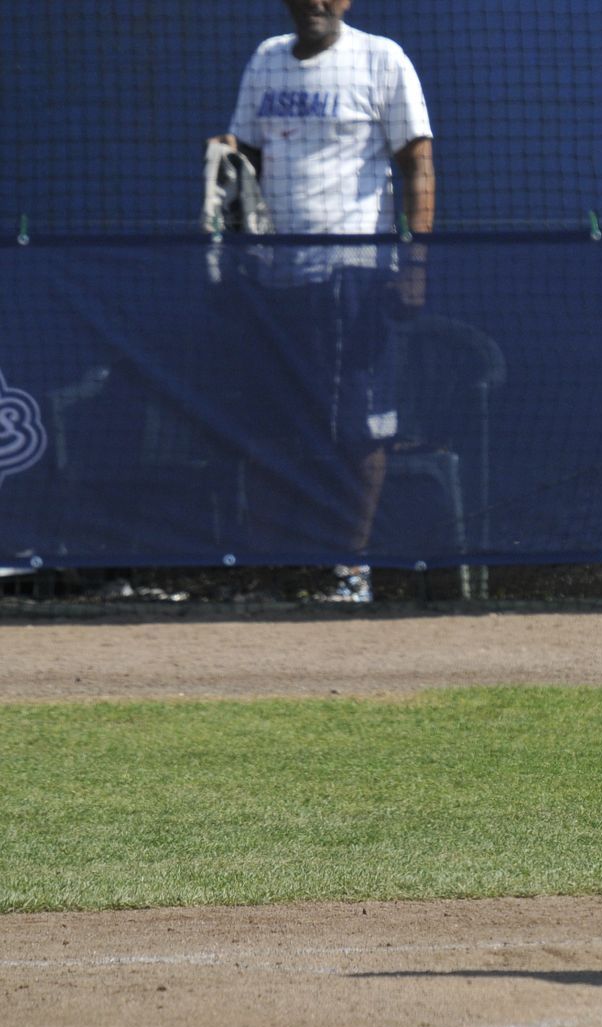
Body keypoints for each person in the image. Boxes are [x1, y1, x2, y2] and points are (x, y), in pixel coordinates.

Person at [209, 0, 434, 602]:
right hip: (275, 280)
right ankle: (265, 572)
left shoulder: (381, 60)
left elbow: (417, 163)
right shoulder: (265, 61)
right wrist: (233, 232)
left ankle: (349, 570)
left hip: (356, 275)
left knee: (362, 430)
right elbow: (247, 159)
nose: (315, 2)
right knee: (270, 428)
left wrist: (414, 263)